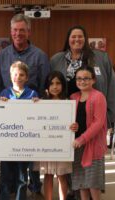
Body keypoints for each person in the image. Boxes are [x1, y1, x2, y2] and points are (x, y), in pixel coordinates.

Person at [50, 25, 115, 200]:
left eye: (80, 36)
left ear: (85, 38)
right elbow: (51, 84)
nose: (77, 40)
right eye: (73, 37)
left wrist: (110, 117)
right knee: (74, 163)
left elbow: (111, 86)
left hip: (94, 116)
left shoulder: (99, 58)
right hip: (70, 116)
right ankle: (75, 192)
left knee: (92, 166)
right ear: (68, 39)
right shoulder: (57, 58)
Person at [0, 13, 49, 196]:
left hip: (30, 117)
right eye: (15, 30)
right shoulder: (2, 55)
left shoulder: (40, 56)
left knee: (29, 160)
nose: (18, 33)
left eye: (22, 30)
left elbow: (43, 85)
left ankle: (33, 187)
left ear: (29, 32)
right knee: (7, 160)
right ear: (11, 32)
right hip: (7, 120)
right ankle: (8, 191)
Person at [0, 61, 38, 200]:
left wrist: (37, 104)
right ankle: (3, 197)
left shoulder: (33, 94)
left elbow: (38, 115)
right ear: (10, 76)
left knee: (22, 175)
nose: (18, 77)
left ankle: (20, 197)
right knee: (5, 173)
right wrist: (0, 103)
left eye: (22, 75)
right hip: (7, 140)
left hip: (24, 141)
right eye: (15, 74)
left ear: (27, 77)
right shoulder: (4, 93)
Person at [35, 71, 78, 200]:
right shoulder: (41, 102)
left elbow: (74, 122)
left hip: (62, 145)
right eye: (51, 83)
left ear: (63, 85)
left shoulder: (69, 102)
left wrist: (75, 125)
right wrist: (34, 105)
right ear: (47, 86)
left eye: (58, 83)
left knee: (61, 176)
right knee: (48, 175)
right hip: (47, 145)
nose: (55, 86)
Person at [70, 66, 107, 200]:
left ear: (93, 80)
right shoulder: (73, 97)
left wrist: (82, 139)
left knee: (93, 184)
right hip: (77, 146)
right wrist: (73, 126)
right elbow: (71, 120)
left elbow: (98, 123)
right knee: (82, 184)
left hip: (93, 146)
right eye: (79, 78)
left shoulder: (98, 97)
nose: (82, 81)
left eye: (86, 78)